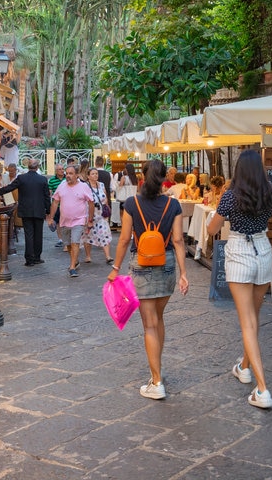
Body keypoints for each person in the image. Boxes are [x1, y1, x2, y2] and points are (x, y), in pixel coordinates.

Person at [207, 149, 272, 409]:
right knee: (253, 320)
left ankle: (263, 389)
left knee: (247, 323)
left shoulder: (231, 196)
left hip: (239, 253)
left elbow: (212, 229)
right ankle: (244, 367)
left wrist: (216, 216)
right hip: (263, 252)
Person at [108, 159, 189, 400]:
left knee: (149, 325)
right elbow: (177, 241)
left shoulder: (132, 203)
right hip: (167, 265)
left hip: (141, 265)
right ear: (165, 178)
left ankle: (157, 381)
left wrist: (115, 267)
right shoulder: (173, 205)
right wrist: (184, 273)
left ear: (143, 176)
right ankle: (157, 370)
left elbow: (123, 240)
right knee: (159, 319)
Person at [0, 158, 50, 266]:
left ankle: (29, 259)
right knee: (38, 234)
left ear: (28, 166)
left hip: (26, 210)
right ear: (37, 167)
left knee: (29, 234)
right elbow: (47, 196)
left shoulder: (21, 178)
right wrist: (48, 210)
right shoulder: (43, 179)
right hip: (39, 210)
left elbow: (8, 188)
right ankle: (37, 257)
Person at [46, 165, 94, 277]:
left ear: (77, 175)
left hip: (79, 220)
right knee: (68, 244)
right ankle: (75, 260)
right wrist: (51, 218)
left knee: (75, 242)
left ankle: (72, 267)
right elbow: (55, 202)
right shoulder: (62, 186)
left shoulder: (83, 187)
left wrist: (90, 219)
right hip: (64, 221)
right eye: (67, 173)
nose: (67, 175)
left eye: (71, 173)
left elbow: (91, 203)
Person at [83, 167, 113, 264]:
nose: (95, 175)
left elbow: (105, 197)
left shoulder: (101, 185)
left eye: (96, 173)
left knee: (104, 233)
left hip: (101, 215)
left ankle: (108, 256)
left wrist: (107, 207)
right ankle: (88, 256)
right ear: (88, 176)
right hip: (90, 214)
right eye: (93, 174)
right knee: (88, 235)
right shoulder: (85, 186)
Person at [48, 164, 66, 248]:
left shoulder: (67, 178)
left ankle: (67, 238)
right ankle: (60, 239)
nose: (62, 170)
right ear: (56, 171)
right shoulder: (52, 180)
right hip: (57, 205)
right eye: (59, 169)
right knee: (58, 222)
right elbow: (50, 192)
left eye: (62, 169)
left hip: (67, 205)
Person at [95, 155, 114, 228]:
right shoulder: (109, 174)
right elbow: (112, 188)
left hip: (95, 200)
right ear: (103, 163)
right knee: (106, 217)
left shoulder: (92, 174)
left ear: (95, 163)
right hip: (106, 199)